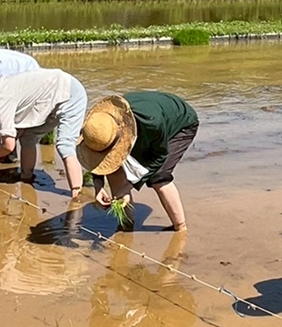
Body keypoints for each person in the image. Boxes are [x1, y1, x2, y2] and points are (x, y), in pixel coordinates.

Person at [77, 91, 199, 233]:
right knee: (113, 168)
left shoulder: (152, 124)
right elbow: (98, 158)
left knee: (158, 177)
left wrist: (129, 186)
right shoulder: (97, 125)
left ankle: (180, 227)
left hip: (181, 123)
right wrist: (98, 186)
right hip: (148, 118)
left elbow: (159, 156)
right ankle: (126, 225)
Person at [0, 68, 88, 190]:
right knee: (28, 137)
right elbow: (18, 131)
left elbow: (9, 146)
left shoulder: (0, 100)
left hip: (69, 93)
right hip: (51, 96)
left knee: (64, 145)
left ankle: (76, 196)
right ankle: (27, 178)